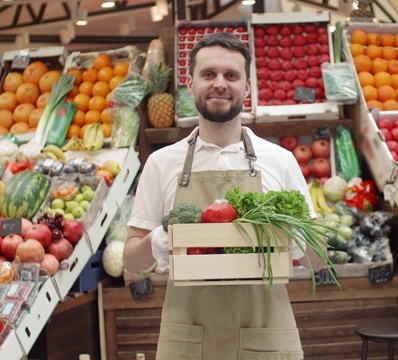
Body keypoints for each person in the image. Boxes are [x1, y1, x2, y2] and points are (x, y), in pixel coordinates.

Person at [124, 32, 324, 360]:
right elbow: (133, 261)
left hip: (265, 334)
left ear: (247, 87)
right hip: (188, 336)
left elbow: (317, 261)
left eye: (231, 75)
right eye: (208, 74)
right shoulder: (162, 163)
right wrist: (161, 238)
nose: (220, 83)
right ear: (190, 84)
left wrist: (302, 242)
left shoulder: (280, 160)